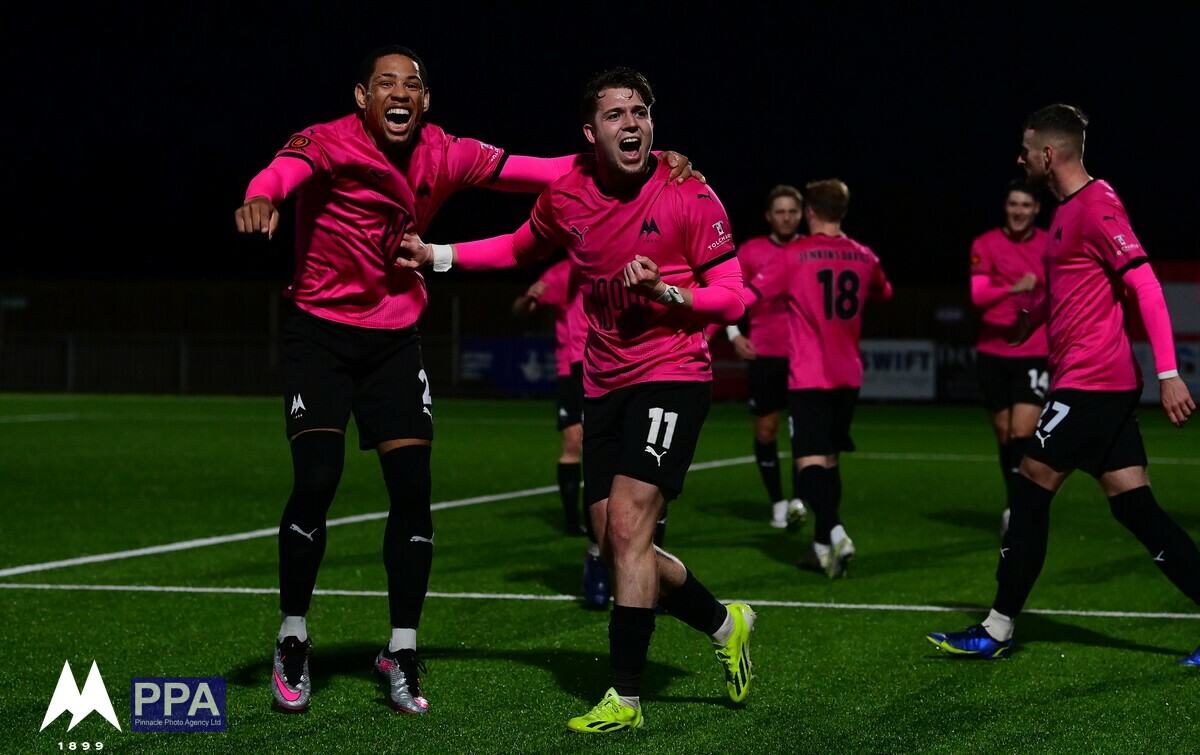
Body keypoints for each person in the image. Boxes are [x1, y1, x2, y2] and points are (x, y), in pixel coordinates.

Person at [233, 45, 701, 715]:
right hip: (320, 334)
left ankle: (400, 649)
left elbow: (538, 170)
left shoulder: (445, 151)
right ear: (362, 97)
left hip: (396, 337)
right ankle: (293, 635)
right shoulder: (329, 141)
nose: (400, 92)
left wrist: (658, 165)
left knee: (414, 491)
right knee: (316, 478)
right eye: (386, 83)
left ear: (426, 102)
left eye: (413, 85)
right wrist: (258, 197)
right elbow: (281, 171)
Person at [395, 66, 756, 732]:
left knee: (626, 526)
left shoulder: (689, 192)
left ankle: (626, 697)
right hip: (604, 381)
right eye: (617, 115)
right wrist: (437, 256)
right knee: (619, 541)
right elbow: (516, 247)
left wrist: (668, 293)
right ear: (590, 133)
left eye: (641, 112)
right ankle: (723, 621)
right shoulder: (568, 196)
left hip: (673, 374)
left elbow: (735, 294)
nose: (633, 124)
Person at [926, 103, 1200, 665]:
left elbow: (1145, 285)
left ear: (1048, 154)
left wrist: (1170, 375)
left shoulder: (1096, 206)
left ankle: (997, 628)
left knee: (1029, 488)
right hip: (1097, 381)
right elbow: (1076, 287)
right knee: (1134, 506)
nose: (1019, 157)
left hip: (1092, 382)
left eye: (1026, 149)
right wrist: (1035, 316)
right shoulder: (1065, 215)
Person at [746, 178, 892, 578]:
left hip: (810, 375)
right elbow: (884, 292)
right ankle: (823, 549)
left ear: (809, 212)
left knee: (809, 462)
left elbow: (749, 296)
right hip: (849, 374)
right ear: (844, 212)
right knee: (829, 461)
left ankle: (836, 530)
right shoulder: (865, 256)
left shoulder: (793, 256)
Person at [724, 184, 810, 530]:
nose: (786, 217)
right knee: (766, 431)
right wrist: (734, 334)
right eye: (780, 211)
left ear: (802, 214)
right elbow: (730, 294)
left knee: (804, 433)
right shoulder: (751, 250)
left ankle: (800, 501)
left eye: (792, 211)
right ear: (768, 216)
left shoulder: (812, 250)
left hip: (807, 358)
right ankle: (778, 502)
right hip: (766, 355)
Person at [969, 179, 1050, 538]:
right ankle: (1014, 501)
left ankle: (1020, 509)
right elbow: (978, 295)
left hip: (1034, 349)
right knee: (1004, 434)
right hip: (992, 351)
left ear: (1036, 209)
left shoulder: (1050, 244)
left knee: (1022, 431)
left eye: (1025, 205)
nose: (1018, 211)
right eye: (1013, 204)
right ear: (1006, 207)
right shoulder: (985, 243)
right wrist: (1013, 287)